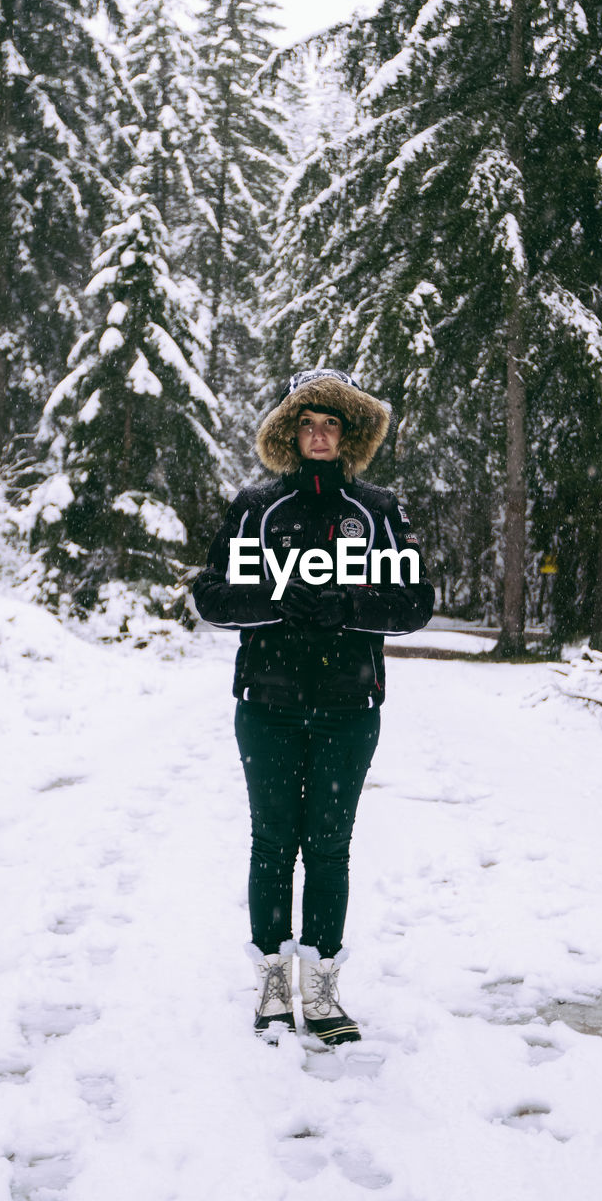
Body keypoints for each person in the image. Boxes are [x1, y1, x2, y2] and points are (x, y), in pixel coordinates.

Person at [192, 368, 434, 1044]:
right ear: (289, 433)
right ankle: (272, 980)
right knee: (272, 845)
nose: (320, 435)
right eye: (308, 423)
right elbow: (211, 596)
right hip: (266, 702)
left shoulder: (377, 510)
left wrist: (347, 605)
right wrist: (276, 599)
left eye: (331, 423)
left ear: (349, 432)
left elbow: (415, 603)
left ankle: (322, 986)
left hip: (347, 704)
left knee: (328, 849)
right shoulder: (255, 506)